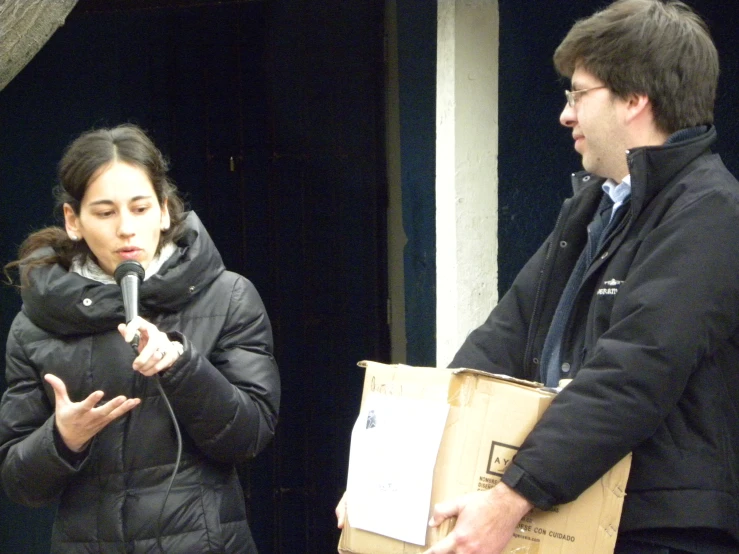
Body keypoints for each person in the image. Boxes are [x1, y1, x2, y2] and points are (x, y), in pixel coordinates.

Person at [339, 0, 739, 552]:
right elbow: (498, 341)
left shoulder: (711, 212)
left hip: (660, 529)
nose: (566, 114)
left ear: (635, 99)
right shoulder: (593, 210)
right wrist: (390, 471)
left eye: (578, 93)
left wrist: (510, 497)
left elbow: (634, 370)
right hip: (577, 516)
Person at [0, 124, 280, 553]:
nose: (126, 229)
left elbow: (248, 436)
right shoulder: (36, 324)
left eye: (140, 208)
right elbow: (20, 484)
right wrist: (61, 438)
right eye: (105, 212)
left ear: (165, 211)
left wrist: (181, 366)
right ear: (73, 221)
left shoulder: (228, 296)